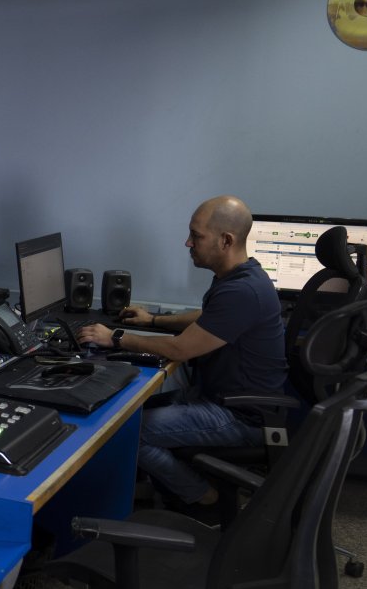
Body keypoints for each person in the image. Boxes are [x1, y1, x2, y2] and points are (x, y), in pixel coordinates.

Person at [76, 195, 287, 518]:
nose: (188, 243)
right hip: (221, 397)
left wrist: (114, 337)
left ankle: (204, 498)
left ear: (226, 240)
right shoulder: (244, 276)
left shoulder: (242, 291)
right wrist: (153, 321)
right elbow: (210, 318)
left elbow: (180, 350)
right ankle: (150, 485)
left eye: (196, 236)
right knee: (127, 411)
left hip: (240, 416)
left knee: (125, 430)